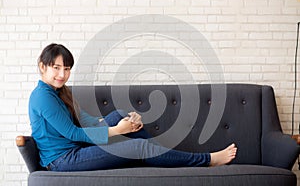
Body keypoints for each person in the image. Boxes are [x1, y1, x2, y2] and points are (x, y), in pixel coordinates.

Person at [28, 43, 237, 172]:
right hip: (62, 160)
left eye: (66, 69)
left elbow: (86, 120)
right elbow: (73, 133)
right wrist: (118, 130)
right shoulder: (42, 97)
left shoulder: (59, 92)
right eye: (56, 68)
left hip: (74, 148)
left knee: (120, 114)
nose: (62, 75)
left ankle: (159, 155)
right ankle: (205, 160)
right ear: (42, 66)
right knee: (139, 147)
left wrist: (126, 120)